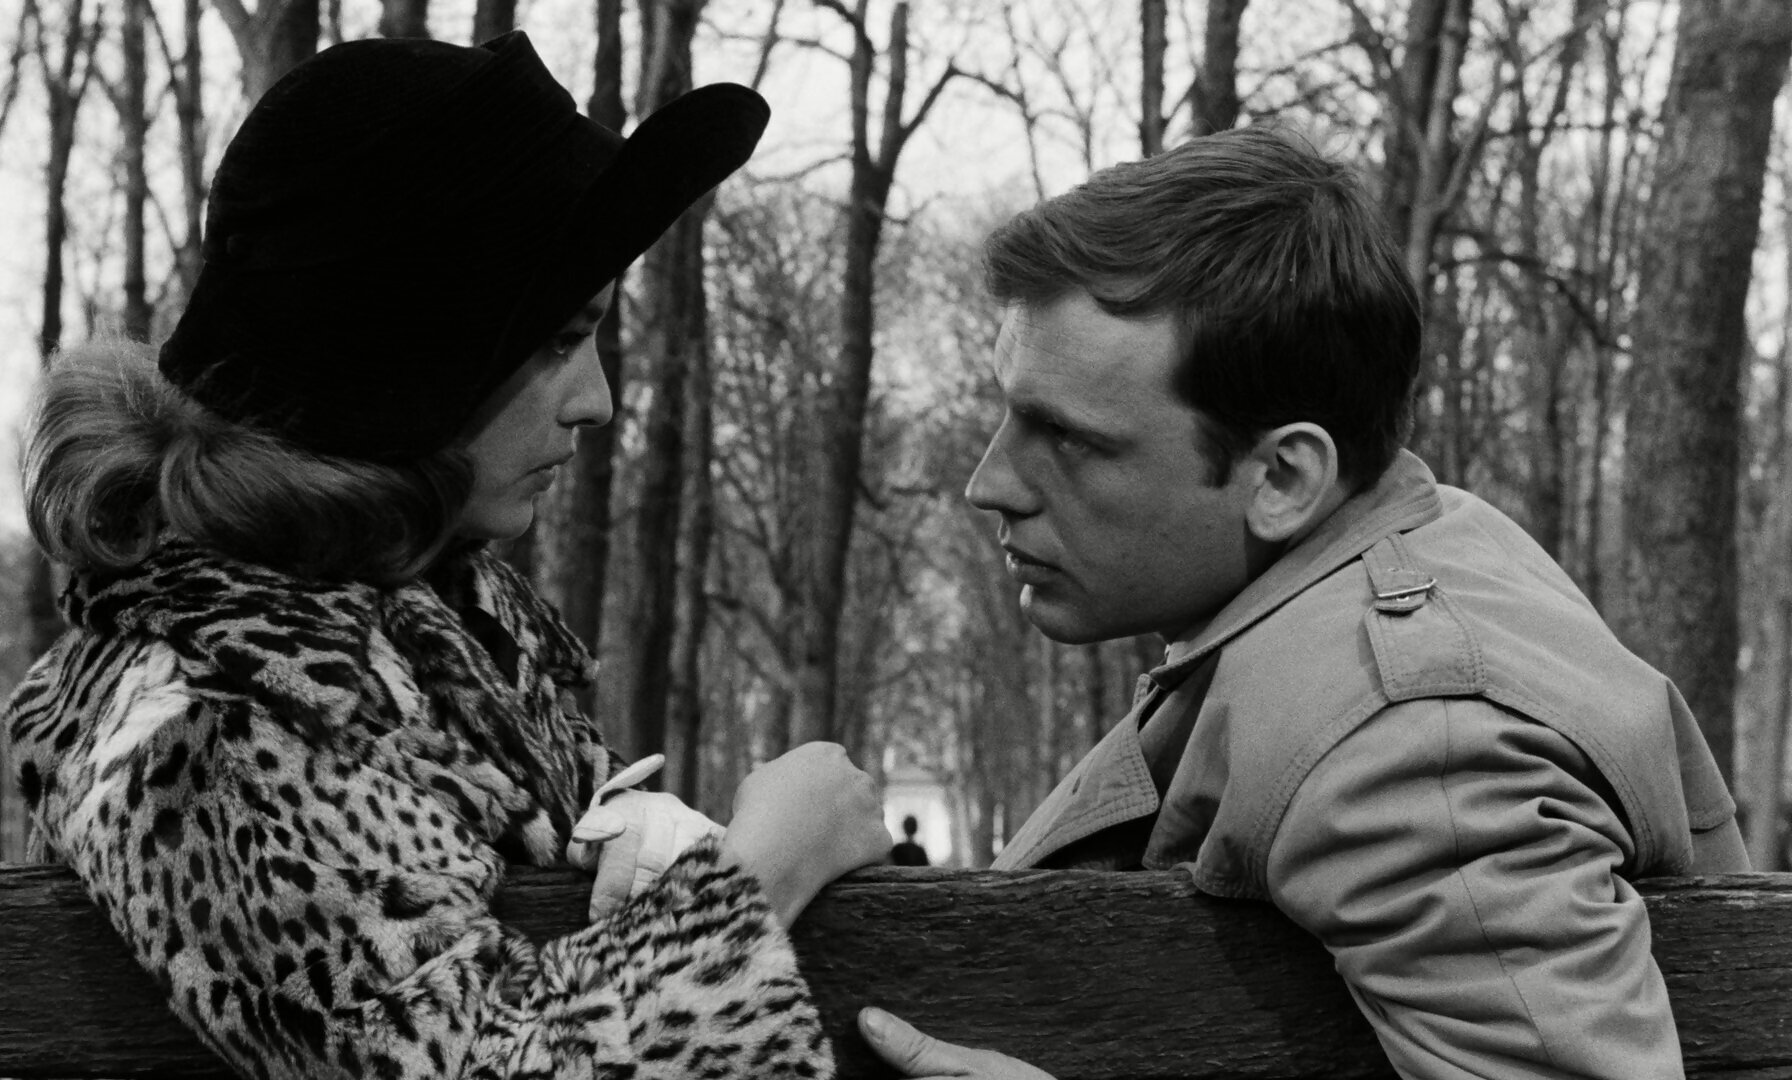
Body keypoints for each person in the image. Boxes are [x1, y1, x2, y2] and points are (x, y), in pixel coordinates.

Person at [3, 32, 890, 1080]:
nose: (597, 401)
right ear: (408, 352)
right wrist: (763, 872)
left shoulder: (430, 633)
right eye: (558, 340)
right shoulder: (195, 721)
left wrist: (644, 837)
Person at [858, 126, 1750, 1080]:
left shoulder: (1417, 746)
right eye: (1009, 412)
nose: (989, 483)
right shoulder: (1376, 569)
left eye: (1068, 438)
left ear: (1283, 477)